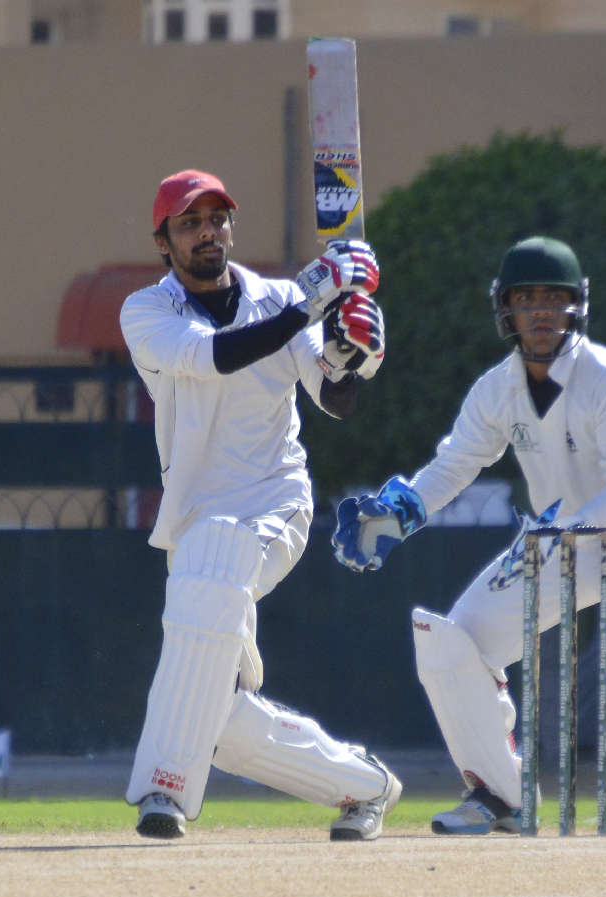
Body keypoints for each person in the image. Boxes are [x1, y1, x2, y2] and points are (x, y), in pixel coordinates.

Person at [331, 236, 606, 834]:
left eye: (552, 298)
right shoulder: (498, 389)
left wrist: (560, 532)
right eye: (526, 299)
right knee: (455, 641)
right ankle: (500, 794)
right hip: (561, 539)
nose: (540, 312)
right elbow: (455, 463)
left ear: (577, 306)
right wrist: (400, 512)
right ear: (506, 309)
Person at [118, 168, 402, 841]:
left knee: (214, 574)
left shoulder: (279, 297)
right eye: (190, 223)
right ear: (163, 241)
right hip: (195, 519)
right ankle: (365, 786)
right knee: (216, 714)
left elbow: (333, 398)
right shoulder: (146, 313)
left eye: (217, 219)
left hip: (277, 503)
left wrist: (352, 352)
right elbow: (216, 357)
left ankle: (163, 791)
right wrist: (312, 302)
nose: (207, 232)